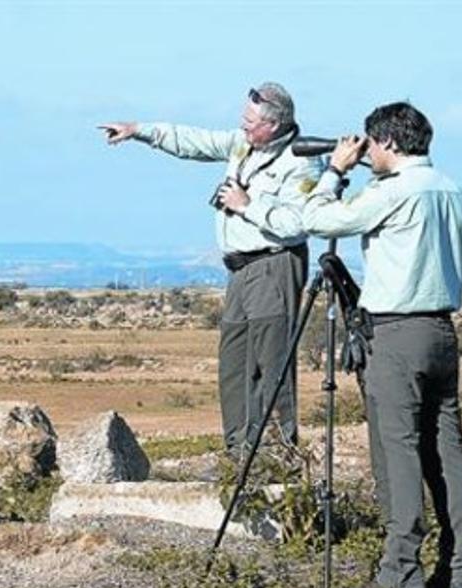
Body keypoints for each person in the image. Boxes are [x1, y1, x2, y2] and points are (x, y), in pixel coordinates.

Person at [261, 101, 462, 588]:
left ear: (389, 143)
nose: (367, 151)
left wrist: (336, 169)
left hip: (397, 335)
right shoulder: (453, 189)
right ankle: (460, 573)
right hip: (442, 331)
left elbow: (319, 221)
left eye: (370, 143)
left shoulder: (392, 192)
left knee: (396, 453)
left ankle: (401, 576)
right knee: (447, 452)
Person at [100, 83, 323, 460]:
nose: (243, 125)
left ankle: (278, 454)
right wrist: (140, 131)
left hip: (274, 264)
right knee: (234, 364)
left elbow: (298, 223)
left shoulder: (301, 161)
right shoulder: (242, 144)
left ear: (274, 124)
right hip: (239, 269)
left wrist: (246, 205)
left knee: (271, 364)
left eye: (250, 121)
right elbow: (195, 141)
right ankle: (239, 453)